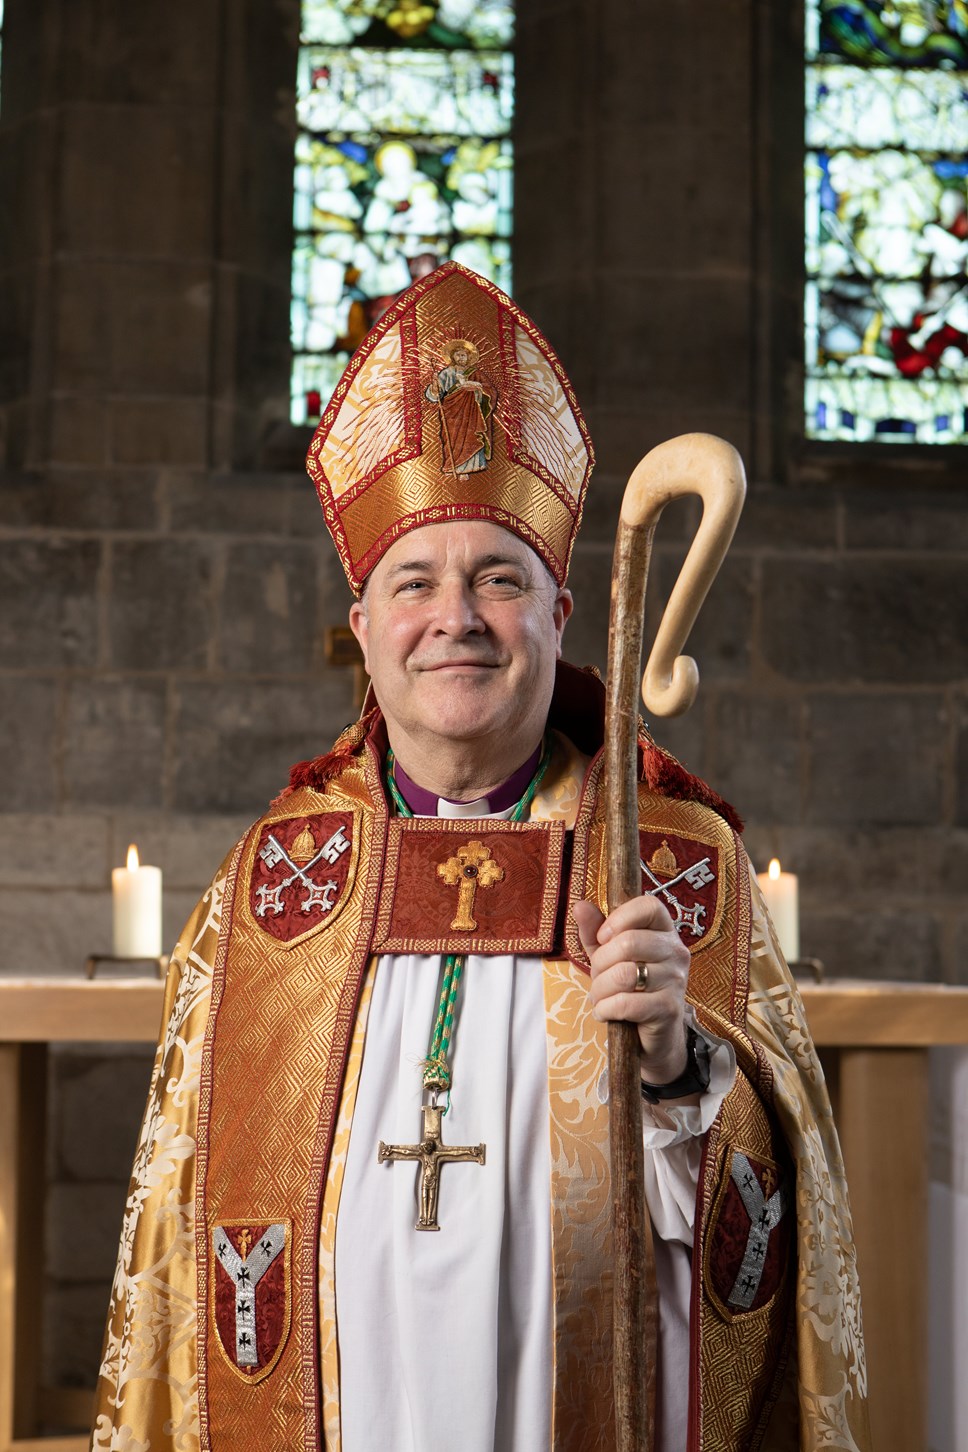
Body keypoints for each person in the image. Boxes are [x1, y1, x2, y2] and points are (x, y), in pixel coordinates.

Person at [91, 262, 870, 1452]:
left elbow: (770, 1244)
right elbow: (175, 1250)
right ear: (363, 633)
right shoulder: (270, 888)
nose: (455, 616)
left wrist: (674, 1065)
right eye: (414, 583)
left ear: (559, 618)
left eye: (499, 579)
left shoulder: (674, 867)